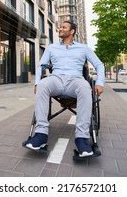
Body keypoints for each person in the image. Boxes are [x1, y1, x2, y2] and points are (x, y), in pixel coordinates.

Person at [23, 21, 105, 157]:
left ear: (72, 31)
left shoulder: (83, 48)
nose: (60, 29)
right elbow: (41, 65)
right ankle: (41, 135)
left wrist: (100, 82)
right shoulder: (52, 48)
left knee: (85, 87)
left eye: (63, 27)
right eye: (60, 27)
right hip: (56, 79)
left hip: (76, 79)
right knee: (43, 85)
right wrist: (37, 82)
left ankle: (82, 139)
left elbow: (99, 65)